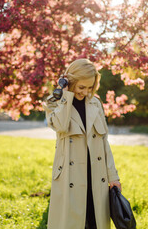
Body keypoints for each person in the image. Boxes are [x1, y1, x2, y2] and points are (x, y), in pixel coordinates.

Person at [43, 58, 121, 229]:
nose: (86, 92)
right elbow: (61, 126)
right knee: (71, 223)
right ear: (70, 81)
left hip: (96, 175)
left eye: (90, 87)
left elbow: (103, 143)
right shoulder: (54, 102)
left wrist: (113, 176)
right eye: (81, 87)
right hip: (70, 176)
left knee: (95, 222)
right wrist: (65, 95)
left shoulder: (95, 103)